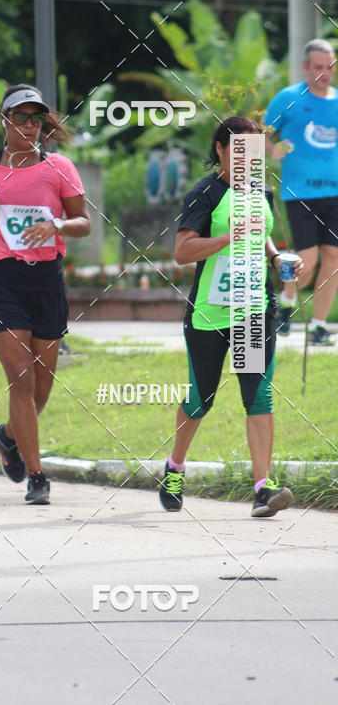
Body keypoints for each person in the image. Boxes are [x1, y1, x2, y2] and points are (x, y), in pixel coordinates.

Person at [0, 84, 91, 504]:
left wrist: (57, 226)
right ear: (4, 120)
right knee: (21, 378)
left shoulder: (60, 168)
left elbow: (83, 222)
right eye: (21, 117)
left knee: (41, 390)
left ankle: (6, 436)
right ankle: (37, 476)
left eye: (36, 118)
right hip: (0, 280)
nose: (29, 125)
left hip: (46, 279)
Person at [159, 116, 302, 518]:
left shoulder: (262, 191)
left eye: (254, 151)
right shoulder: (204, 193)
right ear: (221, 149)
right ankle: (174, 467)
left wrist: (277, 257)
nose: (247, 158)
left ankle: (262, 487)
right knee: (201, 398)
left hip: (253, 309)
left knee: (257, 393)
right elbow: (182, 253)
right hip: (209, 314)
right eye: (239, 149)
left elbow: (263, 233)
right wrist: (227, 238)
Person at [264, 39, 338, 345]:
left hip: (335, 193)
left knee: (333, 257)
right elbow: (261, 134)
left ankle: (318, 326)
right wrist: (273, 150)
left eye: (329, 67)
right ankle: (287, 301)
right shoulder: (289, 98)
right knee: (305, 261)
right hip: (300, 193)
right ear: (306, 67)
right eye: (318, 67)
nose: (324, 72)